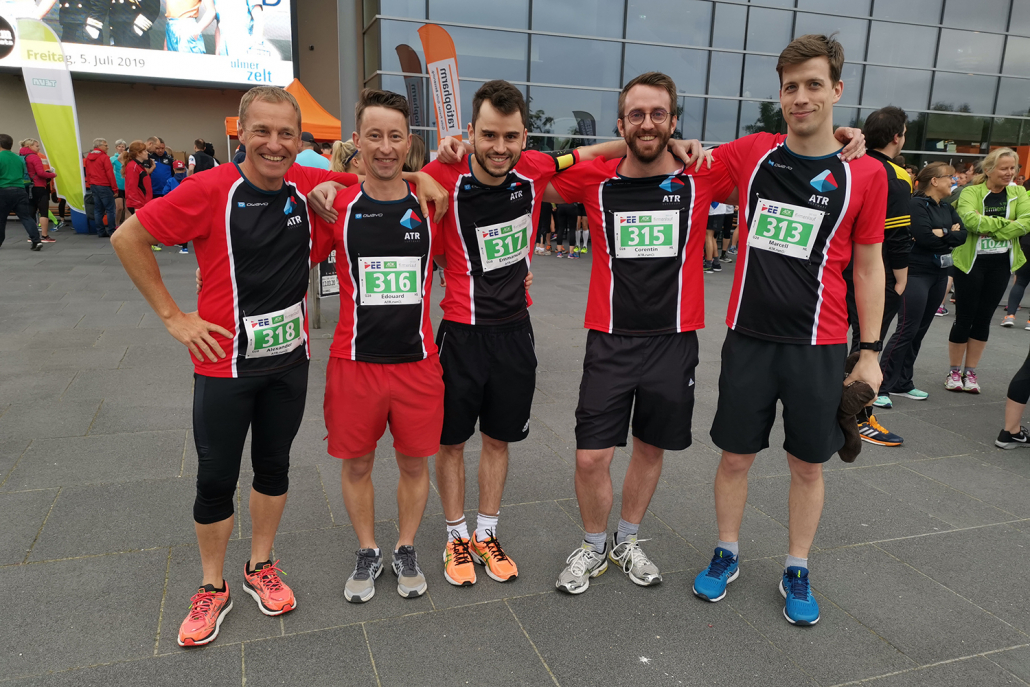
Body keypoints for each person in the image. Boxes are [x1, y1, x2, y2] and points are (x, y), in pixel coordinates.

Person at [110, 86, 366, 648]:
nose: (275, 144)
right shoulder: (209, 189)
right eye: (263, 131)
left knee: (274, 468)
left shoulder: (304, 181)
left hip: (288, 362)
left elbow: (374, 175)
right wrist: (174, 317)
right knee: (215, 479)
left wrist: (340, 182)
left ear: (300, 140)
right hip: (223, 365)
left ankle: (260, 566)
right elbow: (128, 237)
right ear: (241, 134)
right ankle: (211, 586)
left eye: (286, 133)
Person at [693, 34, 885, 627]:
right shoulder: (753, 153)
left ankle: (797, 566)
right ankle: (727, 551)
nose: (801, 97)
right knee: (735, 458)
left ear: (837, 90)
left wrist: (870, 351)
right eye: (790, 87)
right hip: (748, 337)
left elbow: (869, 265)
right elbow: (675, 159)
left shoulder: (866, 173)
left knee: (808, 464)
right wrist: (684, 141)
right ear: (780, 94)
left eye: (813, 85)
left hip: (818, 345)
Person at [541, 72, 734, 595]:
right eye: (636, 115)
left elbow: (781, 152)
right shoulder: (595, 180)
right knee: (591, 456)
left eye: (658, 115)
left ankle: (626, 540)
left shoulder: (701, 176)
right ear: (621, 122)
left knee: (650, 448)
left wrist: (847, 136)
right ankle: (592, 545)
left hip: (674, 340)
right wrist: (599, 149)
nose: (647, 124)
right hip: (610, 339)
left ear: (675, 121)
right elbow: (529, 170)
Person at [310, 89, 444, 604]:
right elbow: (277, 177)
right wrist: (330, 180)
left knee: (414, 465)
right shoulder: (336, 205)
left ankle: (405, 547)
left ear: (408, 142)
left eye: (394, 137)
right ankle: (367, 550)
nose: (385, 147)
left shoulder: (431, 203)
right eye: (374, 136)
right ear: (357, 141)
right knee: (357, 465)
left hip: (417, 364)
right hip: (355, 363)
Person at [844, 106, 911, 445]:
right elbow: (897, 236)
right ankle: (859, 416)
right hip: (873, 271)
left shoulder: (846, 161)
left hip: (836, 267)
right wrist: (901, 277)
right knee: (868, 344)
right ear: (897, 137)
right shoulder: (896, 176)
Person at [880, 163, 966, 401]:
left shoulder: (946, 207)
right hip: (916, 273)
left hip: (939, 274)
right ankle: (881, 386)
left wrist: (943, 232)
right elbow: (925, 236)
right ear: (935, 181)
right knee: (906, 330)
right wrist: (949, 232)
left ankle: (903, 382)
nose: (953, 181)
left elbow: (963, 235)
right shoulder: (916, 204)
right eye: (949, 177)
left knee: (919, 331)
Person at [948, 148, 1030, 393]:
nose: (1009, 173)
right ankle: (954, 371)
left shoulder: (1019, 192)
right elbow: (970, 221)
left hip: (1000, 264)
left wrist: (993, 229)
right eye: (1004, 168)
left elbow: (1026, 223)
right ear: (989, 170)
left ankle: (970, 372)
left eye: (1013, 168)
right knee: (964, 317)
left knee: (984, 318)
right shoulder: (971, 192)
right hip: (971, 262)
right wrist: (1007, 225)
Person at [0, 133, 42, 251]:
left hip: (3, 190)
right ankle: (36, 241)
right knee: (26, 217)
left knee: (1, 219)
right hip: (20, 190)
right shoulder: (18, 158)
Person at [20, 138, 57, 243]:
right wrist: (52, 174)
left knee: (31, 211)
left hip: (27, 186)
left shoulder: (21, 157)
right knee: (43, 211)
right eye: (37, 146)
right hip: (39, 186)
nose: (39, 148)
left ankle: (32, 236)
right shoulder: (34, 157)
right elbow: (41, 173)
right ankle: (44, 236)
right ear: (29, 146)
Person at [85, 137, 119, 237]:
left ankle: (100, 231)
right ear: (99, 146)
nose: (107, 147)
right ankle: (112, 230)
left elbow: (88, 173)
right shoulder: (104, 157)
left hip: (94, 185)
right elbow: (110, 174)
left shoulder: (88, 158)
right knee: (110, 210)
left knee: (98, 209)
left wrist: (90, 184)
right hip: (104, 185)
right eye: (106, 145)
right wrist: (115, 189)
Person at [111, 139, 127, 226]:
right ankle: (116, 224)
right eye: (119, 146)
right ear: (116, 148)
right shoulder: (112, 159)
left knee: (127, 208)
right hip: (118, 186)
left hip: (127, 186)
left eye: (123, 147)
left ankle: (125, 224)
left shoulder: (128, 159)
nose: (121, 148)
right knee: (119, 207)